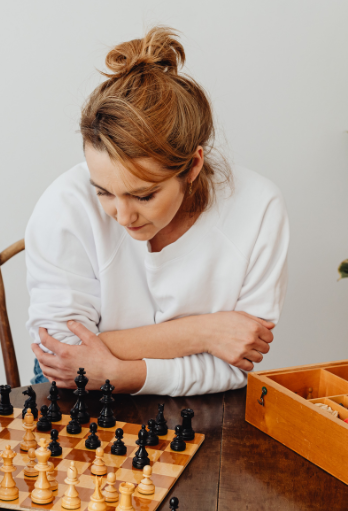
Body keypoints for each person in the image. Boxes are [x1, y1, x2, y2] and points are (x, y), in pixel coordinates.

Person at [26, 27, 289, 396]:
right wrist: (203, 332)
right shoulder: (65, 203)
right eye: (103, 191)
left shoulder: (259, 208)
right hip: (76, 398)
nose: (122, 215)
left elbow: (236, 362)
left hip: (204, 404)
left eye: (144, 196)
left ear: (193, 166)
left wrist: (120, 372)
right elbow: (63, 356)